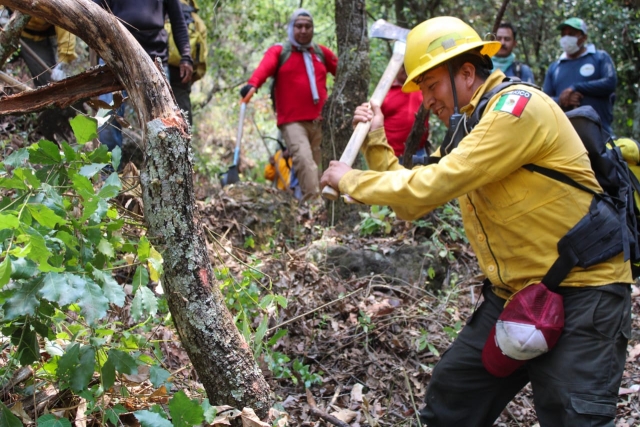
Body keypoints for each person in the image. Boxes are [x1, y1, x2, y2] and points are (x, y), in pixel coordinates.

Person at [321, 16, 631, 426]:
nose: (426, 99)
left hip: (584, 291)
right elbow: (412, 201)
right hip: (515, 294)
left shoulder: (517, 110)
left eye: (431, 85)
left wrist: (352, 181)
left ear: (466, 72)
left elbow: (438, 182)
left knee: (573, 418)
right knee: (454, 398)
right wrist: (376, 137)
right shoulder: (471, 125)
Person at [240, 9, 338, 201]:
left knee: (317, 165)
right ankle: (313, 205)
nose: (303, 30)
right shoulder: (280, 51)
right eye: (299, 26)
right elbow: (264, 68)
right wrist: (252, 85)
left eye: (307, 26)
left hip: (319, 120)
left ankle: (317, 210)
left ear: (312, 29)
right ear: (291, 28)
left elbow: (344, 72)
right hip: (292, 121)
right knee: (303, 159)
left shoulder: (320, 52)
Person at [92, 0, 193, 152]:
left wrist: (186, 56)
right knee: (107, 120)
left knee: (162, 124)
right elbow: (92, 13)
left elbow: (178, 22)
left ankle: (162, 173)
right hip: (113, 58)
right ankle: (109, 173)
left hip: (154, 60)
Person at [543, 17, 617, 136]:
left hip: (601, 135)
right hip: (565, 138)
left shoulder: (599, 58)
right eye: (563, 34)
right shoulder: (555, 67)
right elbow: (544, 100)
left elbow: (610, 82)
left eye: (571, 34)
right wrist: (562, 100)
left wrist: (576, 87)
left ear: (584, 37)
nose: (566, 38)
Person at [380, 65, 430, 162]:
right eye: (402, 66)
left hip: (419, 152)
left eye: (407, 65)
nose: (405, 69)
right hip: (392, 156)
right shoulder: (385, 92)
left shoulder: (422, 87)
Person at [20, 17, 77, 86]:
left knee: (47, 81)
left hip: (41, 37)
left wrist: (62, 62)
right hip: (16, 30)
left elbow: (65, 25)